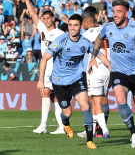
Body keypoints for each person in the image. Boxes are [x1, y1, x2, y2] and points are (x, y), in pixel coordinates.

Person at [87, 0, 135, 148]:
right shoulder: (109, 27)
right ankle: (133, 133)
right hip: (118, 71)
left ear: (127, 13)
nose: (115, 15)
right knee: (120, 100)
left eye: (119, 12)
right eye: (114, 12)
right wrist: (93, 57)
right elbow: (99, 39)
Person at [37, 14, 111, 149]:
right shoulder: (60, 40)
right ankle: (65, 123)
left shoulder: (85, 41)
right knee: (67, 113)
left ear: (80, 27)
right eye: (70, 25)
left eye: (75, 25)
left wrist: (110, 67)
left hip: (77, 78)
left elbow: (99, 54)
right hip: (59, 81)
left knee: (86, 106)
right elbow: (44, 59)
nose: (72, 28)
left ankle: (89, 140)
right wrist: (41, 80)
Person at [24, 0, 65, 135]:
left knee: (49, 94)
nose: (46, 20)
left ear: (53, 18)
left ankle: (46, 126)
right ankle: (57, 126)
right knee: (49, 94)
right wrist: (27, 0)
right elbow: (33, 15)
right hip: (45, 67)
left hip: (56, 68)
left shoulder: (60, 33)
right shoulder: (42, 29)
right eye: (44, 18)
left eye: (48, 18)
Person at [82, 12, 111, 138]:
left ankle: (103, 130)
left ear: (86, 23)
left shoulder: (86, 35)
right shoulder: (105, 31)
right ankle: (94, 130)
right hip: (107, 69)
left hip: (95, 69)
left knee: (95, 101)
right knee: (98, 99)